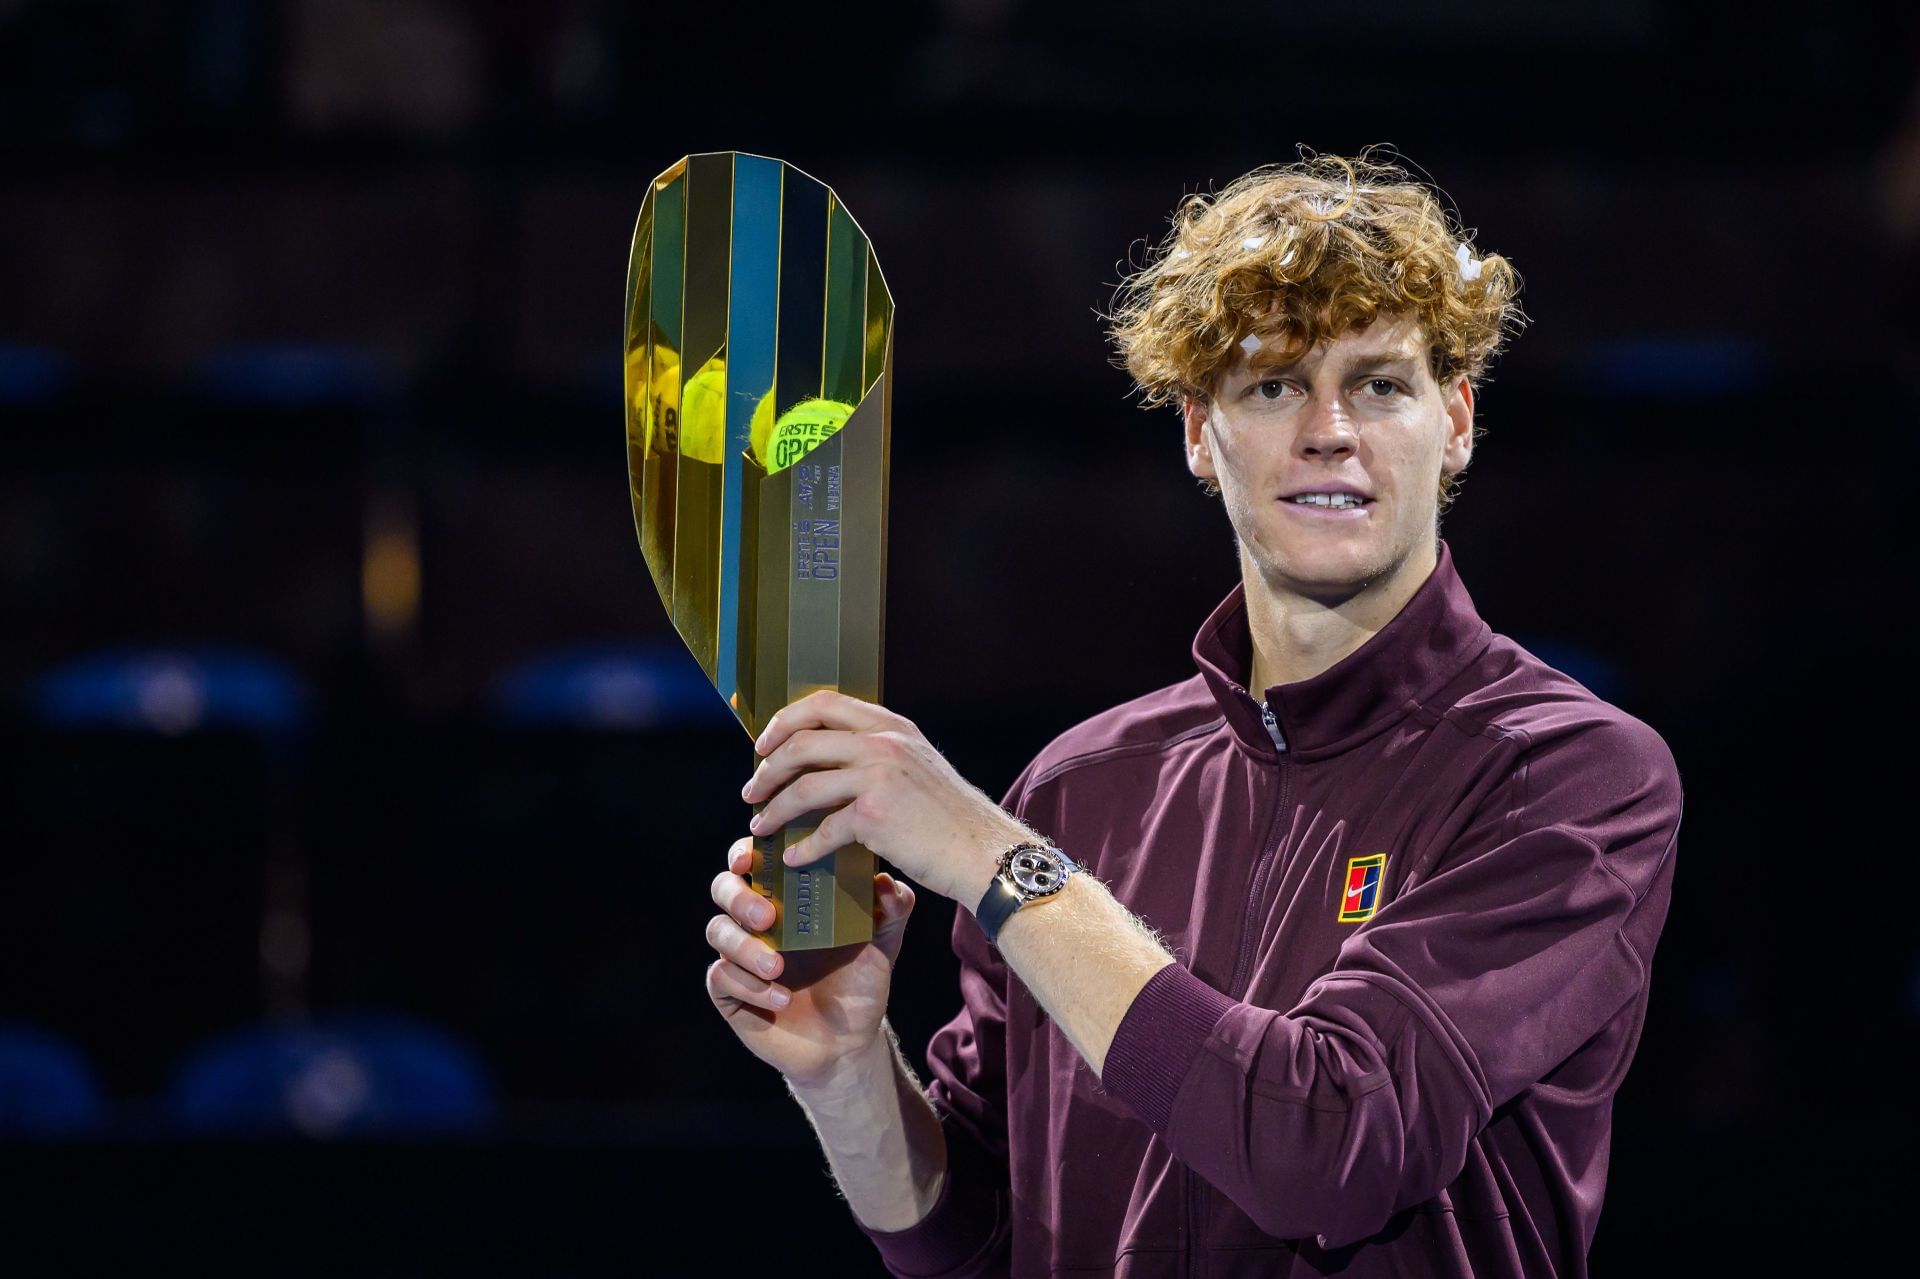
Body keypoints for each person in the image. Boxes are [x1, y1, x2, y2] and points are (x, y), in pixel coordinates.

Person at [704, 149, 1682, 1277]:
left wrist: (990, 855)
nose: (1328, 429)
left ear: (1455, 420)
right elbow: (970, 1241)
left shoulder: (1571, 775)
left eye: (1379, 382)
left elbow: (1328, 1144)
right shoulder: (1080, 787)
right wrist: (847, 1076)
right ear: (1195, 433)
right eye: (1273, 386)